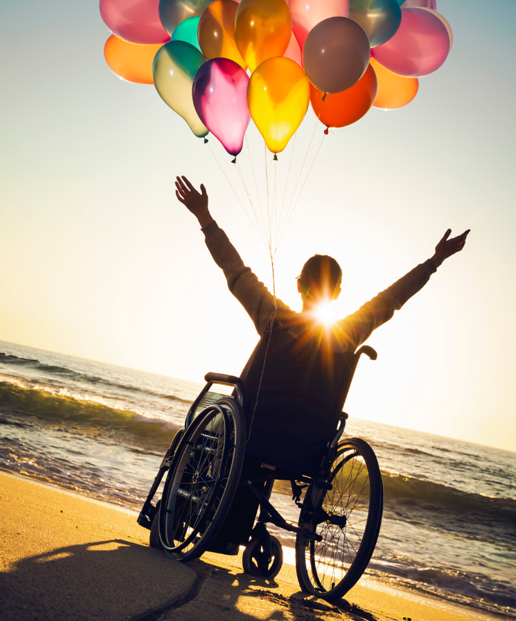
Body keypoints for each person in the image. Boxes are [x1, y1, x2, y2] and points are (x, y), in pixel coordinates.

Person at [174, 175, 469, 471]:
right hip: (304, 452)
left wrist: (204, 216)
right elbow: (390, 299)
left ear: (300, 286)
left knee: (195, 436)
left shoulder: (274, 317)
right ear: (337, 293)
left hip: (247, 436)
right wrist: (434, 261)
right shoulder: (348, 335)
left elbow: (234, 268)